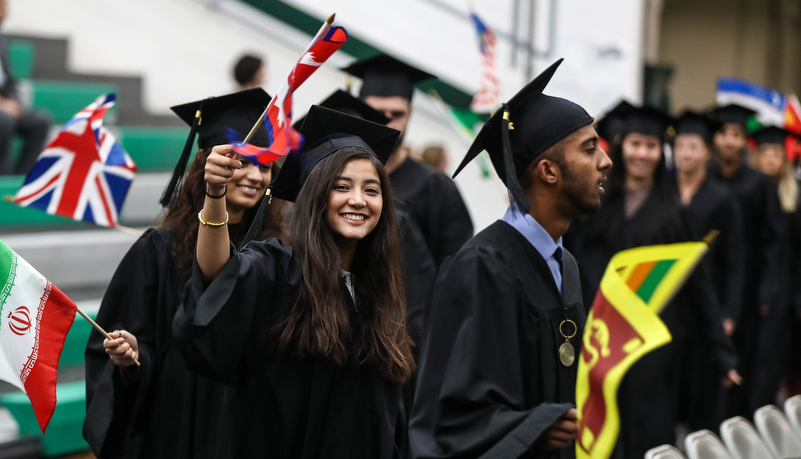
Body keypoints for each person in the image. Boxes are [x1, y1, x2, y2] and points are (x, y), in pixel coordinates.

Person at [172, 106, 415, 458]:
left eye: (371, 190)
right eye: (342, 187)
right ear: (316, 196)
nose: (358, 200)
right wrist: (215, 195)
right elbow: (215, 283)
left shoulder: (378, 288)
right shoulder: (277, 270)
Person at [410, 58, 612, 459]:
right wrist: (533, 426)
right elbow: (450, 415)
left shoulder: (564, 265)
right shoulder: (482, 267)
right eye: (590, 149)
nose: (605, 161)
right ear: (548, 171)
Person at [84, 89, 285, 458]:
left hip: (245, 423)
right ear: (210, 165)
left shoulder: (276, 252)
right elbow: (129, 339)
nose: (255, 175)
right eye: (242, 161)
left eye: (265, 165)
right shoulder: (159, 248)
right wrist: (132, 357)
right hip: (173, 422)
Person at [568, 104, 738, 457]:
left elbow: (698, 284)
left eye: (650, 146)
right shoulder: (595, 205)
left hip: (651, 344)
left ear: (660, 153)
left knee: (648, 430)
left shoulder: (676, 214)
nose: (642, 154)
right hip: (599, 338)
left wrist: (720, 350)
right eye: (635, 144)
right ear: (620, 146)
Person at [342, 54, 473, 265]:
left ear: (410, 113)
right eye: (376, 112)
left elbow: (457, 270)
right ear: (360, 110)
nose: (386, 121)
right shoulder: (337, 179)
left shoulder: (436, 188)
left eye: (397, 113)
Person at [707, 103, 784, 417]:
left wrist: (768, 290)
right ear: (715, 138)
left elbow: (772, 242)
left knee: (743, 360)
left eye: (737, 134)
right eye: (724, 133)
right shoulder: (704, 177)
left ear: (744, 141)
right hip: (708, 281)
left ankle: (735, 423)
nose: (729, 140)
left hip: (748, 288)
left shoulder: (759, 184)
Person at [673, 110, 745, 432]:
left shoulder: (722, 200)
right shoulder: (662, 192)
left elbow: (735, 261)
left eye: (693, 146)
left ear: (706, 151)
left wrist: (728, 313)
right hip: (668, 303)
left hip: (707, 304)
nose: (686, 153)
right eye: (681, 146)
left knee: (703, 388)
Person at [752, 125, 801, 404]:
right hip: (753, 286)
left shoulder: (794, 196)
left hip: (784, 291)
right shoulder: (749, 190)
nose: (770, 158)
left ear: (785, 158)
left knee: (773, 360)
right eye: (765, 153)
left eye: (776, 153)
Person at [0, 0, 50, 175]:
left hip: (6, 104)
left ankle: (21, 180)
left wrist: (16, 103)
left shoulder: (2, 40)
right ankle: (3, 179)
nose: (5, 14)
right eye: (2, 8)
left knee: (40, 120)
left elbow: (8, 80)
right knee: (4, 119)